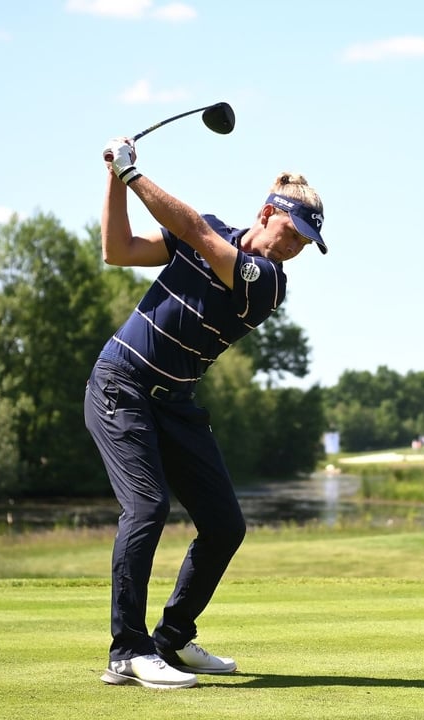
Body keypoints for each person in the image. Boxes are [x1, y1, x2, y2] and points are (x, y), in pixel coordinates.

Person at [84, 136, 327, 689]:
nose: (295, 248)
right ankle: (126, 651)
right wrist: (112, 177)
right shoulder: (211, 230)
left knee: (224, 525)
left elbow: (196, 231)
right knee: (146, 509)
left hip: (174, 403)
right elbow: (117, 250)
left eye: (306, 243)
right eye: (293, 233)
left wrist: (131, 174)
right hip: (121, 384)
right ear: (267, 214)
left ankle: (169, 642)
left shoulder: (265, 283)